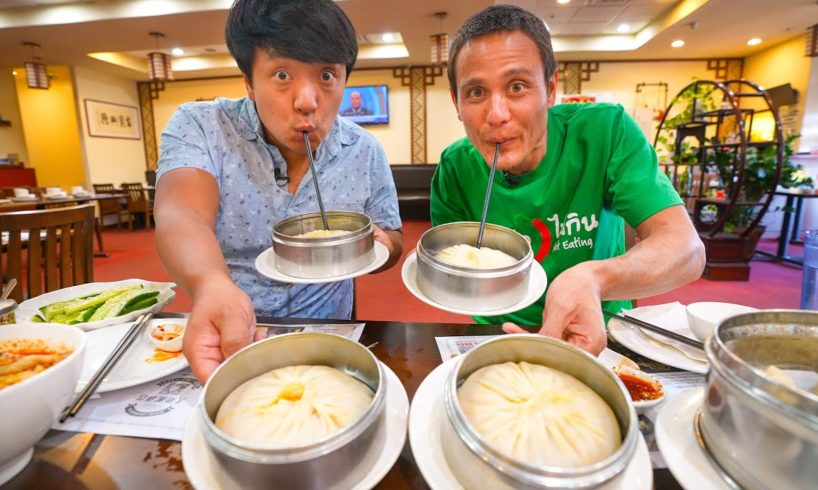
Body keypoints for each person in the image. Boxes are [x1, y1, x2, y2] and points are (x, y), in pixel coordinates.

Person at [431, 5, 705, 355]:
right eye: (476, 93)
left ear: (550, 88)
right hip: (500, 334)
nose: (496, 115)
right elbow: (455, 274)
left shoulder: (606, 131)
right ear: (457, 102)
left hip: (602, 330)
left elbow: (687, 250)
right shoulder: (455, 167)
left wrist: (594, 278)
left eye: (517, 87)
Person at [154, 0, 403, 383]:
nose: (307, 101)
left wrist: (379, 247)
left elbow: (394, 238)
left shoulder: (365, 151)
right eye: (282, 74)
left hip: (331, 335)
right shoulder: (202, 126)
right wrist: (211, 285)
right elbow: (181, 214)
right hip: (234, 334)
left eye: (326, 76)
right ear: (249, 82)